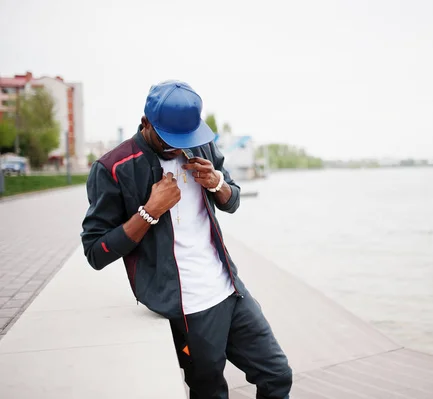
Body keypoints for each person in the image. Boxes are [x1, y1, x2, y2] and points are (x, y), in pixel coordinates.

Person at [81, 80, 292, 399]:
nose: (180, 148)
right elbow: (96, 252)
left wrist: (216, 182)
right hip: (186, 306)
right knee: (210, 391)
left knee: (277, 375)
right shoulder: (113, 168)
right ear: (145, 123)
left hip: (230, 290)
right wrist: (149, 212)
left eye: (186, 139)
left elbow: (232, 200)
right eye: (170, 140)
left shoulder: (201, 146)